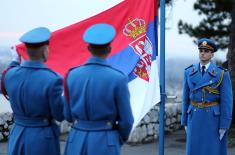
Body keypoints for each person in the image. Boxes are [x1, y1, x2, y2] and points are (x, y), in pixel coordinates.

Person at [63, 23, 134, 155]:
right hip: (105, 141)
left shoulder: (72, 75)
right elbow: (127, 121)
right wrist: (117, 139)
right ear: (109, 49)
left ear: (88, 48)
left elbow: (67, 115)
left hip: (76, 140)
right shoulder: (118, 78)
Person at [1, 27, 64, 155]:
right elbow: (60, 115)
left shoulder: (10, 76)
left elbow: (6, 77)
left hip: (17, 134)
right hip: (42, 139)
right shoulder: (53, 80)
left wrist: (14, 61)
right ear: (45, 51)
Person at [181, 38, 233, 155]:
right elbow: (185, 99)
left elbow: (226, 102)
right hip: (194, 117)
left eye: (206, 51)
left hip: (213, 119)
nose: (203, 53)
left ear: (212, 54)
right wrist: (184, 120)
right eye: (201, 51)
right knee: (194, 150)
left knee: (212, 150)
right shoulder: (189, 72)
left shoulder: (221, 74)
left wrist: (224, 124)